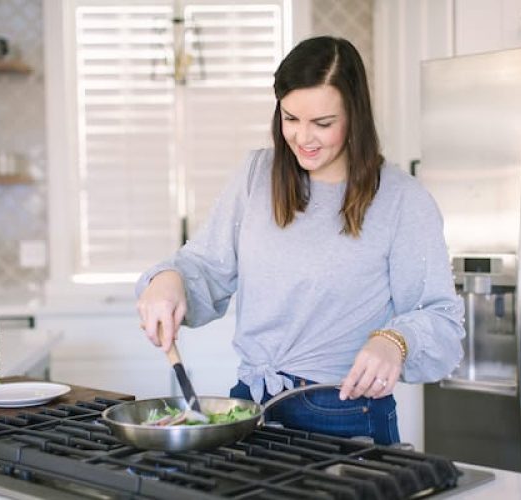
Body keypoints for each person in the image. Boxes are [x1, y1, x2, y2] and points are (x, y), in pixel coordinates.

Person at [136, 36, 464, 445]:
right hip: (251, 405)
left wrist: (395, 341)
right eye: (290, 118)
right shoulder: (257, 175)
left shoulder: (402, 200)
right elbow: (204, 268)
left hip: (346, 412)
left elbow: (442, 321)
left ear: (355, 116)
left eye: (323, 124)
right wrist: (169, 278)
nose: (303, 138)